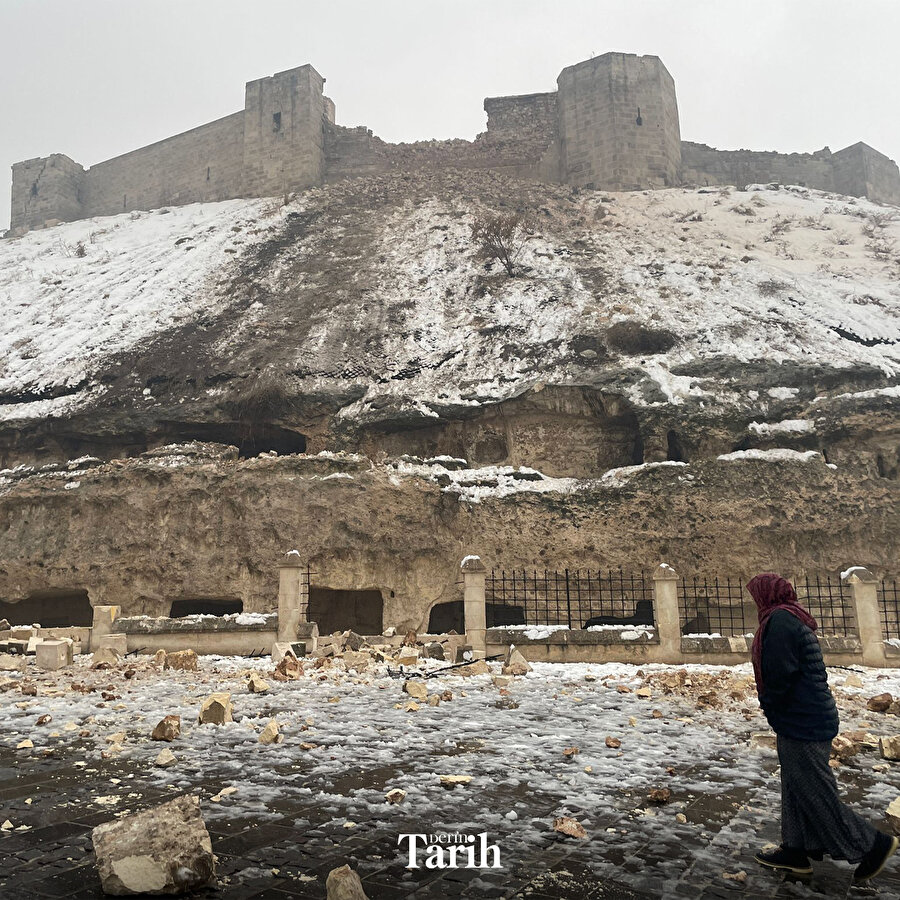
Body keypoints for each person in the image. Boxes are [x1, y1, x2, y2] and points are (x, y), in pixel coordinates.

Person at [748, 572, 898, 882]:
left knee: (815, 792)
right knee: (796, 785)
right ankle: (795, 850)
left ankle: (873, 845)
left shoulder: (780, 621)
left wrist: (770, 705)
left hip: (801, 719)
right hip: (808, 715)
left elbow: (780, 673)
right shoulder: (791, 616)